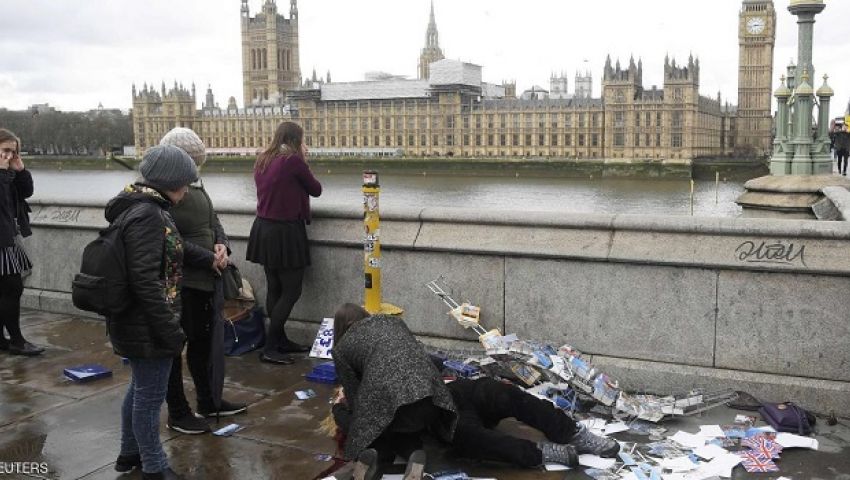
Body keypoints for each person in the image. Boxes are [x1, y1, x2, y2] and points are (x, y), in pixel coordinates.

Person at [106, 145, 204, 480]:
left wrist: (208, 258)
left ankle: (128, 453)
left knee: (139, 390)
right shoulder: (148, 214)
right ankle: (154, 467)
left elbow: (168, 249)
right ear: (169, 181)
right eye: (184, 183)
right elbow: (145, 281)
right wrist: (171, 332)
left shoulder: (140, 206)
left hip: (135, 321)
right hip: (147, 325)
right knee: (150, 398)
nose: (188, 189)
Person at [158, 128, 247, 435]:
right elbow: (169, 239)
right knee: (175, 350)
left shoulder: (194, 182)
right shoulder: (163, 191)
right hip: (183, 281)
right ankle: (178, 411)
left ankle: (208, 400)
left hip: (207, 278)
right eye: (192, 163)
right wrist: (207, 257)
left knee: (203, 345)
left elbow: (213, 220)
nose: (196, 170)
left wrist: (222, 244)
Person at [331, 303, 458, 480]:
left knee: (368, 427)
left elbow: (356, 404)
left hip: (394, 405)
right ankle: (413, 453)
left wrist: (338, 407)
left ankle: (371, 455)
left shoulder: (342, 348)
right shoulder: (394, 323)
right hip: (432, 402)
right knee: (401, 426)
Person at [246, 121, 322, 364]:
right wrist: (304, 159)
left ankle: (280, 340)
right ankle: (270, 348)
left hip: (263, 228)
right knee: (292, 290)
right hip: (285, 231)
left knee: (275, 287)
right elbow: (316, 189)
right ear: (295, 139)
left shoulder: (263, 159)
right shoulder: (293, 161)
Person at [447, 377, 620, 468]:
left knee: (505, 393)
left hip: (456, 390)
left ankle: (572, 432)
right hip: (441, 411)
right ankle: (539, 453)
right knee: (469, 436)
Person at [0, 128, 43, 356]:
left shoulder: (9, 172)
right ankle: (17, 340)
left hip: (7, 237)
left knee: (7, 289)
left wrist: (20, 170)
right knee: (12, 287)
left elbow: (26, 192)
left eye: (14, 152)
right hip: (2, 239)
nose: (10, 156)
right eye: (6, 151)